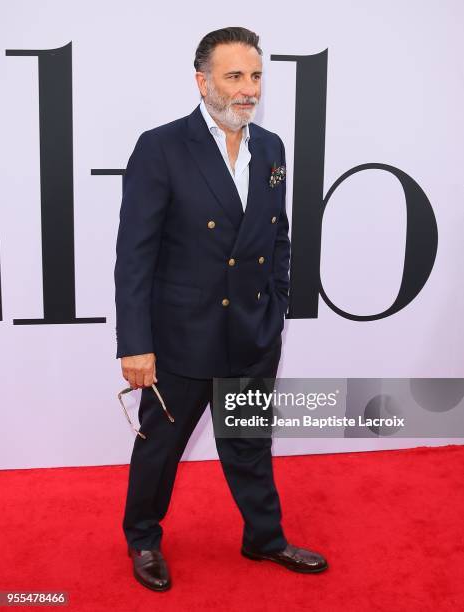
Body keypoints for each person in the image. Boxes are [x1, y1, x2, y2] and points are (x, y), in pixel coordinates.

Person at [114, 26, 328, 592]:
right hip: (183, 333)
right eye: (234, 76)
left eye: (256, 76)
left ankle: (264, 536)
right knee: (160, 447)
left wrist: (275, 307)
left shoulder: (273, 148)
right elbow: (134, 254)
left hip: (251, 330)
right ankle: (142, 539)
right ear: (202, 81)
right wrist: (135, 343)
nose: (248, 89)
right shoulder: (160, 146)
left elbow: (276, 237)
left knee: (249, 440)